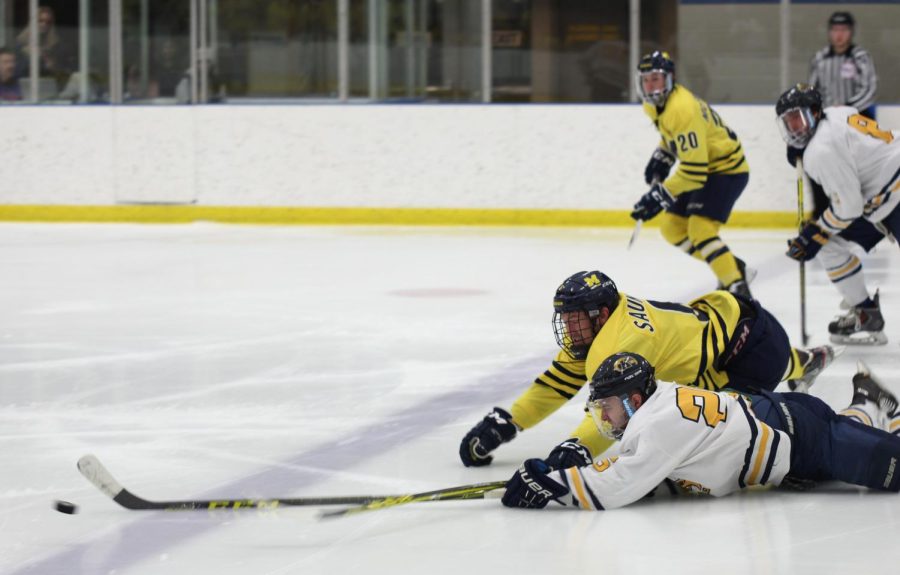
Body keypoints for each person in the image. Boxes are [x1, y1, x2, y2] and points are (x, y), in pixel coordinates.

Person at [459, 270, 837, 470]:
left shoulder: (624, 340)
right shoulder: (601, 326)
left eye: (576, 319)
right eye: (566, 318)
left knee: (730, 431)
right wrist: (506, 422)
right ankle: (807, 360)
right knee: (704, 391)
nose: (569, 328)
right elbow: (556, 384)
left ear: (601, 315)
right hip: (734, 328)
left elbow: (613, 412)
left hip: (746, 352)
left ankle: (810, 387)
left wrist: (577, 447)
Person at [500, 352, 900, 510]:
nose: (602, 417)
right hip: (787, 426)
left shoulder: (658, 426)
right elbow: (655, 469)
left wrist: (550, 483)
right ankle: (867, 402)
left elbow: (615, 485)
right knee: (839, 432)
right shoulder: (662, 399)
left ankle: (877, 415)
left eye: (606, 406)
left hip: (804, 440)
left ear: (634, 400)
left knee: (893, 469)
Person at [776, 83, 898, 345]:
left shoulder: (820, 151)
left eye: (798, 118)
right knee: (830, 244)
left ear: (815, 112)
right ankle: (866, 314)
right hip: (882, 197)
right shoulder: (835, 112)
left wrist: (814, 234)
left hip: (893, 192)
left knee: (824, 238)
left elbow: (849, 207)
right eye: (789, 122)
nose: (795, 128)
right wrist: (819, 235)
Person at [630, 51, 753, 299]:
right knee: (672, 228)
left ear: (669, 79)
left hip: (726, 169)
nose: (651, 86)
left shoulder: (682, 108)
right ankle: (730, 266)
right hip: (705, 167)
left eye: (657, 79)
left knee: (700, 229)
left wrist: (660, 195)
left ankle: (739, 289)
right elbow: (672, 135)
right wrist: (663, 155)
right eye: (647, 80)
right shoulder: (654, 105)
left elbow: (694, 171)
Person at [809, 12, 877, 121]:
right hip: (828, 118)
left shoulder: (861, 57)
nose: (839, 35)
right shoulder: (819, 58)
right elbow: (812, 90)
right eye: (835, 30)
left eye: (844, 30)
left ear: (851, 32)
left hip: (858, 116)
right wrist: (825, 110)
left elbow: (869, 89)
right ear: (829, 32)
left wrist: (847, 107)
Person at [15, 6, 73, 89]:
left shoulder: (57, 45)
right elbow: (16, 72)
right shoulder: (20, 43)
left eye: (48, 22)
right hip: (26, 88)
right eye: (40, 21)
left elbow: (64, 72)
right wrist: (29, 56)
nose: (44, 24)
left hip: (50, 88)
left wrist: (52, 66)